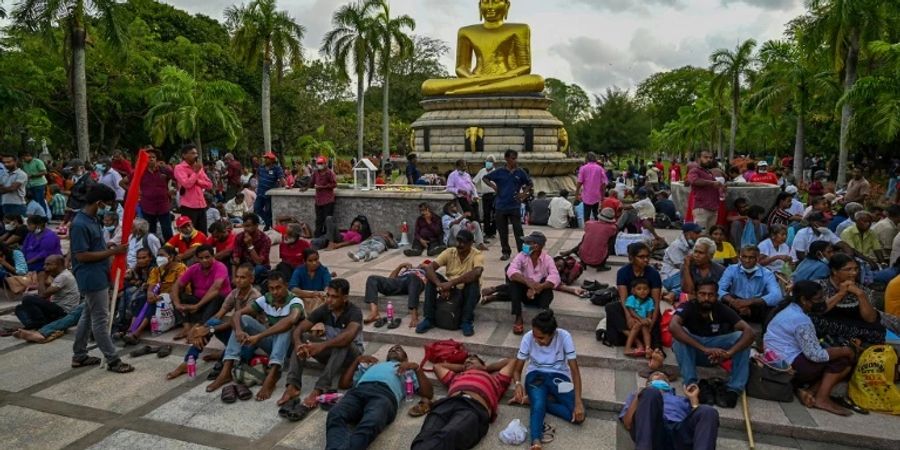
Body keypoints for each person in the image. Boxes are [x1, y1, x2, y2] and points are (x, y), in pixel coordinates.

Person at [204, 271, 303, 401]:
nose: (275, 292)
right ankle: (227, 369)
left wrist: (259, 336)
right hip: (272, 343)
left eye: (278, 287)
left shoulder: (295, 301)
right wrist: (239, 330)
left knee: (285, 327)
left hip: (291, 347)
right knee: (243, 318)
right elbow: (238, 314)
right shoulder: (266, 298)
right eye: (271, 288)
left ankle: (273, 374)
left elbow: (290, 321)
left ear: (286, 285)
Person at [763, 280, 856, 416]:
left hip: (778, 358)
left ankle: (809, 392)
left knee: (833, 351)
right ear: (804, 300)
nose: (821, 302)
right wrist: (844, 351)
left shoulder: (789, 309)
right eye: (817, 299)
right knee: (843, 361)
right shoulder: (801, 320)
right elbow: (815, 355)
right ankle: (822, 398)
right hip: (788, 366)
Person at [69, 184, 133, 373]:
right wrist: (113, 252)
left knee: (88, 315)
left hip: (99, 273)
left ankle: (79, 355)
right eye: (107, 204)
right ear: (98, 203)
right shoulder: (80, 224)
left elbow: (98, 247)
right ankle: (113, 359)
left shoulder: (92, 220)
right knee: (100, 319)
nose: (109, 208)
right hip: (90, 276)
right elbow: (81, 255)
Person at [279, 279, 364, 417]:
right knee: (303, 339)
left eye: (334, 297)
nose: (329, 300)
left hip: (353, 357)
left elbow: (348, 337)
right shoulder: (325, 308)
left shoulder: (354, 312)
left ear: (345, 298)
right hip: (332, 353)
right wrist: (298, 343)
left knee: (342, 342)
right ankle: (292, 386)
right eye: (328, 295)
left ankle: (320, 388)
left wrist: (322, 345)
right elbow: (299, 328)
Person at [325, 345, 434, 449]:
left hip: (384, 395)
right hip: (358, 392)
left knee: (372, 421)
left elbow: (428, 393)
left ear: (405, 359)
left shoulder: (409, 370)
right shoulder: (373, 365)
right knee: (335, 414)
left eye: (398, 349)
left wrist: (417, 368)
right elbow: (343, 384)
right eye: (391, 349)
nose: (394, 349)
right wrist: (357, 360)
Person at [670, 278, 755, 408]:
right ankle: (692, 384)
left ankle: (733, 389)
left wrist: (728, 353)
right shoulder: (687, 306)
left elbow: (749, 332)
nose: (706, 298)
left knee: (742, 337)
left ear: (716, 296)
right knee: (680, 334)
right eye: (702, 294)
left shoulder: (721, 308)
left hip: (715, 353)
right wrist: (704, 349)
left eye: (710, 295)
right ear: (695, 294)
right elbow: (673, 326)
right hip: (693, 351)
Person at [509, 310, 584, 450]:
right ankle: (536, 440)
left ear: (553, 334)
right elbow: (517, 369)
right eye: (535, 336)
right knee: (538, 406)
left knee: (578, 417)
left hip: (559, 377)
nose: (537, 340)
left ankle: (533, 400)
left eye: (541, 338)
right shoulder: (528, 337)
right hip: (535, 376)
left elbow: (575, 371)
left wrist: (578, 402)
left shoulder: (564, 336)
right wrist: (518, 384)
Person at [410, 356, 516, 450]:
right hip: (446, 404)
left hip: (473, 407)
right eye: (466, 361)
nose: (468, 361)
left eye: (472, 359)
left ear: (483, 365)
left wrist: (486, 368)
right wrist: (464, 367)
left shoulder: (496, 380)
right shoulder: (456, 377)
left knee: (449, 434)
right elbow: (438, 366)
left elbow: (511, 361)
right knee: (424, 436)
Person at [620, 371, 719, 450]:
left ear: (668, 384)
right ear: (648, 383)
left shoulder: (682, 399)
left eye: (663, 376)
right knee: (651, 394)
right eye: (655, 375)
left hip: (679, 433)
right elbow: (628, 423)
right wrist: (641, 395)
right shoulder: (638, 396)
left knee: (708, 411)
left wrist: (693, 399)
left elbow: (700, 423)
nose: (659, 375)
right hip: (654, 431)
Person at [416, 230, 484, 337]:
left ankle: (466, 321)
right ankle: (429, 318)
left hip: (465, 291)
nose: (459, 245)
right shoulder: (449, 252)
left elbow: (477, 272)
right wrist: (439, 285)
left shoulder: (477, 254)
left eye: (463, 242)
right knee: (432, 278)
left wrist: (451, 283)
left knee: (474, 282)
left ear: (471, 243)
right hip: (450, 289)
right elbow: (429, 268)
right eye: (458, 241)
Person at [812, 253, 884, 345]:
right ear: (834, 271)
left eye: (856, 269)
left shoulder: (861, 289)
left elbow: (871, 319)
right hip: (828, 329)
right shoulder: (819, 286)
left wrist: (860, 294)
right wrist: (840, 294)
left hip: (855, 329)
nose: (854, 273)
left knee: (878, 331)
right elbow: (818, 311)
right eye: (848, 269)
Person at [171, 245, 232, 340]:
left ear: (213, 256)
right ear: (196, 258)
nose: (204, 260)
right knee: (177, 295)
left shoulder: (220, 267)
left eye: (207, 257)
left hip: (216, 302)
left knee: (218, 296)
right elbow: (177, 285)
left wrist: (197, 306)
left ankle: (199, 326)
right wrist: (177, 303)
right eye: (201, 258)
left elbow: (215, 289)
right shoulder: (193, 268)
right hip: (199, 301)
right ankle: (186, 327)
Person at [505, 231, 560, 335]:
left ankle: (544, 315)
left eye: (528, 242)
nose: (524, 245)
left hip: (539, 293)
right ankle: (518, 317)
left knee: (547, 283)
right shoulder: (522, 255)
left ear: (537, 246)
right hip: (524, 292)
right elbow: (511, 270)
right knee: (514, 283)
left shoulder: (547, 259)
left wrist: (540, 286)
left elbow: (555, 277)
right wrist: (528, 283)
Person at [484, 149, 532, 261]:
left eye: (516, 158)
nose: (515, 160)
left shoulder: (520, 172)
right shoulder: (499, 172)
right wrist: (494, 187)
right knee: (502, 231)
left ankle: (523, 252)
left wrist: (523, 194)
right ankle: (505, 252)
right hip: (501, 205)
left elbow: (529, 183)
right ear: (506, 159)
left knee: (518, 230)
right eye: (512, 158)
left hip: (514, 205)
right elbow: (485, 178)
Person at [718, 245, 783, 323]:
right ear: (740, 257)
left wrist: (750, 302)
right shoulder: (731, 269)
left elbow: (777, 295)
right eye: (744, 257)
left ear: (757, 258)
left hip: (756, 305)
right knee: (721, 303)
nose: (747, 260)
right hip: (735, 304)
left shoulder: (767, 273)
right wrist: (733, 302)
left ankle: (765, 333)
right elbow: (719, 289)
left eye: (751, 257)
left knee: (772, 308)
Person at [13, 255, 79, 331]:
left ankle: (39, 323)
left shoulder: (64, 276)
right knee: (20, 308)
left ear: (59, 265)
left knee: (28, 299)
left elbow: (42, 295)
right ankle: (39, 323)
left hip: (64, 312)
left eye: (48, 264)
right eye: (45, 264)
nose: (45, 267)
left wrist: (41, 279)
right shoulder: (59, 276)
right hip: (56, 309)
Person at [173, 144, 213, 234]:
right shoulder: (179, 168)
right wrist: (195, 172)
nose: (196, 155)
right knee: (189, 233)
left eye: (196, 153)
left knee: (202, 233)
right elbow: (187, 184)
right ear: (184, 155)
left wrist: (197, 181)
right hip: (188, 206)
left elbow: (210, 185)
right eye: (192, 153)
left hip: (201, 204)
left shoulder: (199, 168)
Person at [675, 238, 725, 302]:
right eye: (695, 251)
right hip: (692, 301)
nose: (696, 255)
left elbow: (720, 293)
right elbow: (688, 291)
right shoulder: (686, 267)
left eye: (701, 253)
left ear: (710, 256)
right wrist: (686, 268)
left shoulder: (720, 270)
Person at [139, 149, 174, 241]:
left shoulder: (164, 170)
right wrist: (137, 192)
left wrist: (174, 190)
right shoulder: (139, 171)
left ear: (157, 159)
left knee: (167, 229)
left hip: (163, 205)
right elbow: (122, 182)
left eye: (153, 157)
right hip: (147, 206)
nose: (151, 159)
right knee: (151, 231)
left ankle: (170, 250)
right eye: (148, 157)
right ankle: (152, 250)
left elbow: (176, 177)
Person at [686, 151, 723, 232]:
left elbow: (713, 187)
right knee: (701, 236)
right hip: (702, 209)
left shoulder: (709, 172)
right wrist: (712, 183)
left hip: (713, 209)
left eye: (710, 158)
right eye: (705, 157)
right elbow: (694, 181)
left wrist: (722, 188)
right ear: (699, 159)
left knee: (710, 236)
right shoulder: (694, 171)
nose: (709, 159)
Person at [232, 213, 272, 285]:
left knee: (259, 269)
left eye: (248, 226)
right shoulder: (239, 237)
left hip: (259, 266)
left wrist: (250, 245)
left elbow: (259, 262)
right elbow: (236, 257)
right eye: (244, 226)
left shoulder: (265, 239)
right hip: (244, 265)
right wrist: (234, 276)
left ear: (256, 226)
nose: (245, 229)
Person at [22, 215, 62, 286]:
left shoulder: (50, 236)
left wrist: (27, 262)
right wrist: (22, 259)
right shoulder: (31, 234)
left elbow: (44, 254)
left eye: (29, 225)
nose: (27, 227)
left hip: (43, 263)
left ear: (38, 225)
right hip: (30, 263)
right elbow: (24, 248)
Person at [624, 278, 657, 357]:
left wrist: (648, 319)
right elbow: (631, 311)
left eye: (645, 289)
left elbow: (650, 312)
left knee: (645, 327)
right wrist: (641, 319)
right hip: (634, 319)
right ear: (633, 290)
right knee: (637, 325)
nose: (642, 291)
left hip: (643, 320)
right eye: (639, 289)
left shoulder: (650, 301)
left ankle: (647, 349)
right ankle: (627, 348)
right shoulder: (632, 298)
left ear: (649, 290)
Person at [254, 152, 285, 229]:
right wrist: (258, 181)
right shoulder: (261, 167)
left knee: (268, 211)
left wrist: (283, 186)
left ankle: (268, 225)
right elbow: (257, 174)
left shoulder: (277, 168)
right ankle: (269, 222)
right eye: (265, 158)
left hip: (269, 194)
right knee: (257, 208)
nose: (265, 159)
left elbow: (281, 179)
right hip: (260, 192)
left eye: (267, 158)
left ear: (272, 160)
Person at [575, 152, 608, 222]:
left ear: (587, 159)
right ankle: (596, 229)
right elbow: (604, 184)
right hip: (596, 195)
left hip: (587, 196)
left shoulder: (583, 168)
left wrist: (577, 194)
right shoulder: (600, 169)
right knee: (596, 214)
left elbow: (579, 183)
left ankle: (587, 230)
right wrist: (603, 195)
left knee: (586, 215)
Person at [310, 156, 337, 237]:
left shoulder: (329, 173)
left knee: (327, 220)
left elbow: (334, 184)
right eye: (318, 163)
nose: (319, 165)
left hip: (328, 200)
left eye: (321, 163)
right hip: (318, 201)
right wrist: (305, 187)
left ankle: (327, 237)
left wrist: (322, 187)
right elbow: (311, 183)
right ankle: (317, 236)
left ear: (325, 164)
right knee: (318, 220)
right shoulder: (315, 173)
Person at [473, 156, 497, 238]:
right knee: (486, 214)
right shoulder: (482, 171)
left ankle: (493, 231)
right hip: (485, 195)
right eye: (487, 161)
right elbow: (474, 181)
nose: (488, 163)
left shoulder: (496, 172)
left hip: (494, 195)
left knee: (495, 214)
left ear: (493, 163)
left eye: (490, 161)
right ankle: (487, 232)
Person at [20, 150, 49, 217]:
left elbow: (44, 172)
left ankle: (43, 217)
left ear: (30, 156)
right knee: (33, 201)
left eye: (25, 157)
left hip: (39, 184)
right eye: (23, 157)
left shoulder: (38, 161)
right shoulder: (24, 163)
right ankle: (35, 217)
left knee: (39, 200)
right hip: (29, 185)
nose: (24, 158)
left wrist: (32, 175)